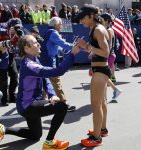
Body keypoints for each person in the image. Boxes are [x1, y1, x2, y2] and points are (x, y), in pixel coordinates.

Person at [0, 34, 81, 149]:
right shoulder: (29, 65)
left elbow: (45, 79)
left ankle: (4, 129)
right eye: (34, 42)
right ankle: (49, 142)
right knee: (62, 107)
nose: (38, 43)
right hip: (28, 106)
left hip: (29, 104)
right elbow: (58, 71)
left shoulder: (34, 59)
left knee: (35, 135)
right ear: (27, 49)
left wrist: (52, 94)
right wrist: (72, 53)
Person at [76, 4, 111, 147]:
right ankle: (102, 130)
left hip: (100, 72)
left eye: (83, 18)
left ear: (91, 16)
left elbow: (106, 52)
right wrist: (91, 51)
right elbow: (100, 51)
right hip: (101, 70)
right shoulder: (96, 28)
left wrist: (87, 46)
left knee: (96, 105)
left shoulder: (98, 29)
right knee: (101, 103)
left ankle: (96, 138)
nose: (81, 21)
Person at [40, 16, 76, 112]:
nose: (61, 26)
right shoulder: (53, 33)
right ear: (56, 25)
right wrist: (78, 47)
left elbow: (56, 46)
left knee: (44, 82)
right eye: (60, 24)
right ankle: (64, 104)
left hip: (43, 60)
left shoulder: (47, 31)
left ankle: (42, 104)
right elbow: (63, 44)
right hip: (49, 61)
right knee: (56, 82)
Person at [0, 18, 23, 105]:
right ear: (10, 25)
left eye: (19, 27)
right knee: (4, 79)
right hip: (1, 56)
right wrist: (7, 31)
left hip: (11, 56)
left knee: (15, 76)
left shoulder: (18, 31)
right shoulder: (2, 26)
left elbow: (15, 42)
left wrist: (17, 35)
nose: (17, 28)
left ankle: (12, 97)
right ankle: (3, 99)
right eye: (15, 27)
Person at [100, 13, 122, 100]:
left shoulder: (109, 30)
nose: (100, 21)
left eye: (101, 20)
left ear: (106, 20)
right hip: (109, 55)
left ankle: (105, 96)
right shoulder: (107, 29)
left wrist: (103, 55)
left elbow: (108, 45)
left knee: (103, 76)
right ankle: (114, 91)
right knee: (104, 76)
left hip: (108, 56)